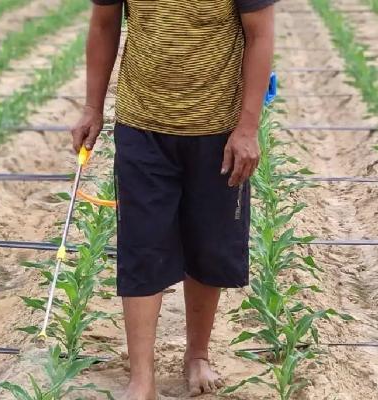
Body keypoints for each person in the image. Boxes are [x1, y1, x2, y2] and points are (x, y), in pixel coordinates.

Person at [71, 1, 276, 398]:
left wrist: (248, 128)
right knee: (142, 245)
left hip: (218, 130)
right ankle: (141, 379)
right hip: (142, 124)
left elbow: (260, 34)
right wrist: (92, 107)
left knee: (208, 243)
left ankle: (197, 354)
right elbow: (104, 23)